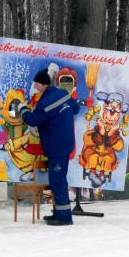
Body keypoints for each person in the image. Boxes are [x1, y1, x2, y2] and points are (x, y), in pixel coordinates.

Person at [19, 68, 79, 226]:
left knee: (57, 181)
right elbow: (76, 109)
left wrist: (22, 109)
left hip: (57, 146)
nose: (34, 86)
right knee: (58, 180)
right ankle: (59, 212)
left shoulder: (45, 102)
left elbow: (32, 120)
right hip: (66, 143)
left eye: (35, 83)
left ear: (41, 84)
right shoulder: (63, 94)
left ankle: (64, 217)